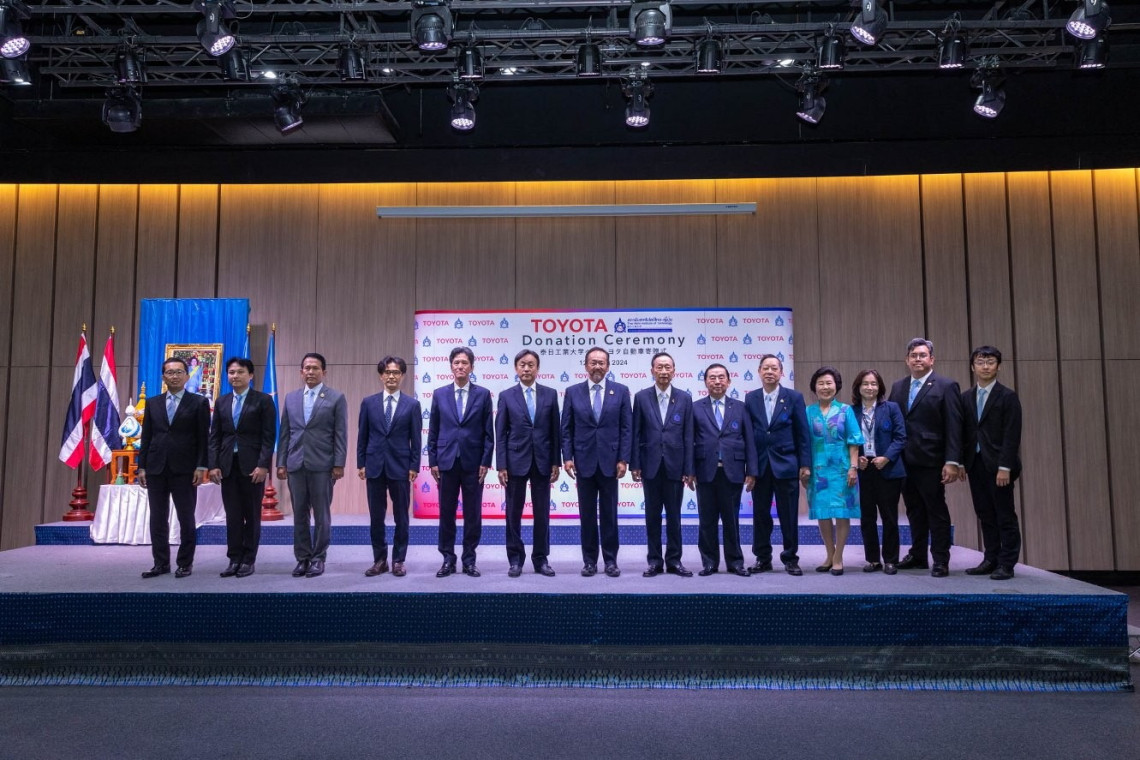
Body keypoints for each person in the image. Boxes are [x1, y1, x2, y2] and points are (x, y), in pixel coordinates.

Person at [887, 338, 964, 578]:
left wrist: (952, 461)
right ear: (906, 360)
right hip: (903, 461)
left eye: (922, 355)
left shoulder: (946, 386)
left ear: (932, 359)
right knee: (913, 510)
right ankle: (918, 555)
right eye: (913, 355)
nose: (917, 359)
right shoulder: (898, 387)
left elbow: (954, 426)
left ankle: (940, 559)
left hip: (932, 460)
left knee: (936, 510)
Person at [561, 346, 632, 578]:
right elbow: (566, 428)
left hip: (611, 463)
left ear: (608, 366)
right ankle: (589, 561)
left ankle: (611, 561)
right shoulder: (573, 392)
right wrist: (567, 457)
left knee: (610, 515)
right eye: (593, 362)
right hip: (583, 462)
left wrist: (623, 459)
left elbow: (626, 428)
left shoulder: (621, 391)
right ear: (586, 366)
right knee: (587, 515)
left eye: (602, 362)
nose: (597, 366)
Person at [137, 357, 211, 578]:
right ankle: (160, 563)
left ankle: (185, 563)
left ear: (187, 376)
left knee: (186, 518)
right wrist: (142, 467)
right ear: (163, 377)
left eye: (179, 372)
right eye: (170, 372)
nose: (175, 376)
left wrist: (201, 466)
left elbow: (203, 438)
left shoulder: (198, 402)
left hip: (186, 469)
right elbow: (147, 437)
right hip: (156, 468)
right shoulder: (153, 403)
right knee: (157, 518)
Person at [276, 352, 348, 579]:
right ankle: (302, 558)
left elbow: (340, 434)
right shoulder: (291, 398)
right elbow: (285, 433)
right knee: (299, 514)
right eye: (307, 368)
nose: (310, 372)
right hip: (295, 464)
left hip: (323, 465)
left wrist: (339, 463)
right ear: (301, 372)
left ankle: (318, 558)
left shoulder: (336, 398)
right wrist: (281, 462)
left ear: (323, 372)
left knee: (321, 515)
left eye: (315, 368)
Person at [428, 346, 494, 578]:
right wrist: (433, 460)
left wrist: (486, 461)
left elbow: (489, 433)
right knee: (446, 513)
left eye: (464, 363)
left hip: (474, 464)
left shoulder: (483, 394)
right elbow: (433, 430)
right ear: (451, 366)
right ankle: (448, 559)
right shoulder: (439, 394)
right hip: (446, 462)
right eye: (456, 362)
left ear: (472, 367)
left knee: (473, 514)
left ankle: (469, 560)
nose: (460, 366)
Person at [208, 357, 276, 578]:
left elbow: (268, 437)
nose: (235, 376)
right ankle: (234, 558)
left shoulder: (263, 400)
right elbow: (215, 437)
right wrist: (213, 465)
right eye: (231, 372)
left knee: (251, 514)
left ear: (251, 375)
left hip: (253, 467)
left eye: (240, 372)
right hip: (228, 466)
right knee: (233, 515)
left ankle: (248, 559)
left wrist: (263, 465)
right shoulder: (222, 401)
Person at [743, 354, 811, 576]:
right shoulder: (751, 398)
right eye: (766, 368)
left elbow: (802, 433)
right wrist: (750, 468)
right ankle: (763, 558)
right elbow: (749, 437)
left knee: (788, 516)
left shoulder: (794, 397)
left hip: (787, 465)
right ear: (759, 372)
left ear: (781, 372)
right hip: (761, 468)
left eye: (774, 368)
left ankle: (790, 558)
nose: (770, 372)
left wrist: (805, 464)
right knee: (760, 516)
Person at [495, 349, 560, 577]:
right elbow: (500, 433)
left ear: (537, 368)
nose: (526, 368)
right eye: (522, 364)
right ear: (516, 368)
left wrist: (556, 462)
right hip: (515, 462)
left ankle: (541, 559)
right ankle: (515, 559)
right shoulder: (506, 396)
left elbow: (555, 431)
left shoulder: (550, 394)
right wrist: (501, 465)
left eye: (531, 365)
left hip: (543, 461)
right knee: (513, 513)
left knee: (542, 513)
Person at [960, 345, 1023, 580]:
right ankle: (991, 558)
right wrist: (961, 463)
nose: (985, 366)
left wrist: (1005, 467)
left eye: (990, 362)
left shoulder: (1007, 396)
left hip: (999, 467)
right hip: (975, 464)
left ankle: (1007, 563)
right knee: (985, 513)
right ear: (972, 367)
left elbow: (1012, 434)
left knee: (1004, 515)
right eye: (980, 362)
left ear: (998, 366)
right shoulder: (965, 397)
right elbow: (963, 433)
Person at [357, 356, 422, 579]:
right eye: (387, 372)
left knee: (401, 517)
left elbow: (416, 440)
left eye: (395, 372)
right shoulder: (368, 403)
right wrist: (361, 463)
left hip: (401, 467)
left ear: (402, 376)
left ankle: (398, 560)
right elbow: (362, 436)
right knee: (376, 517)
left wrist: (414, 466)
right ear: (381, 376)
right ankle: (379, 560)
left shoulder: (412, 405)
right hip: (374, 466)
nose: (391, 376)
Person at [631, 352, 695, 577]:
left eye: (668, 367)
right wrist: (635, 464)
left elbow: (688, 435)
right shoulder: (641, 397)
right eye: (659, 367)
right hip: (650, 466)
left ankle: (674, 561)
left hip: (675, 467)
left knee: (674, 517)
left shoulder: (685, 398)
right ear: (652, 371)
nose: (664, 371)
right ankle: (654, 561)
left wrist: (688, 469)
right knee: (652, 517)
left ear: (674, 371)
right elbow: (636, 433)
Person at [692, 363, 757, 576]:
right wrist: (689, 470)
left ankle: (735, 562)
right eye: (712, 377)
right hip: (705, 471)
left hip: (733, 471)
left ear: (729, 381)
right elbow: (689, 441)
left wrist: (752, 471)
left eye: (721, 377)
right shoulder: (695, 407)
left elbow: (749, 440)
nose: (717, 381)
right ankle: (709, 562)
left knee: (732, 520)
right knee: (707, 520)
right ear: (705, 382)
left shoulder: (740, 407)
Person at [802, 367, 863, 576]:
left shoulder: (846, 411)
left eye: (829, 383)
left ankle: (838, 557)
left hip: (842, 470)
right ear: (814, 387)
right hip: (817, 471)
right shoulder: (808, 412)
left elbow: (854, 441)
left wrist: (853, 467)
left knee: (842, 513)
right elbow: (804, 442)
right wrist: (804, 468)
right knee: (823, 513)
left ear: (836, 386)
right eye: (821, 383)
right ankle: (829, 554)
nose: (825, 387)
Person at [851, 369, 907, 575]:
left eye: (873, 384)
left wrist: (887, 457)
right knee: (867, 518)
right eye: (865, 384)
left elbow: (900, 437)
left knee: (889, 517)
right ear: (858, 387)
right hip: (865, 469)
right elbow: (847, 440)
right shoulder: (851, 411)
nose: (869, 387)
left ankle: (891, 560)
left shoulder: (891, 408)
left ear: (880, 387)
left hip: (888, 469)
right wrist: (857, 459)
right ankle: (873, 559)